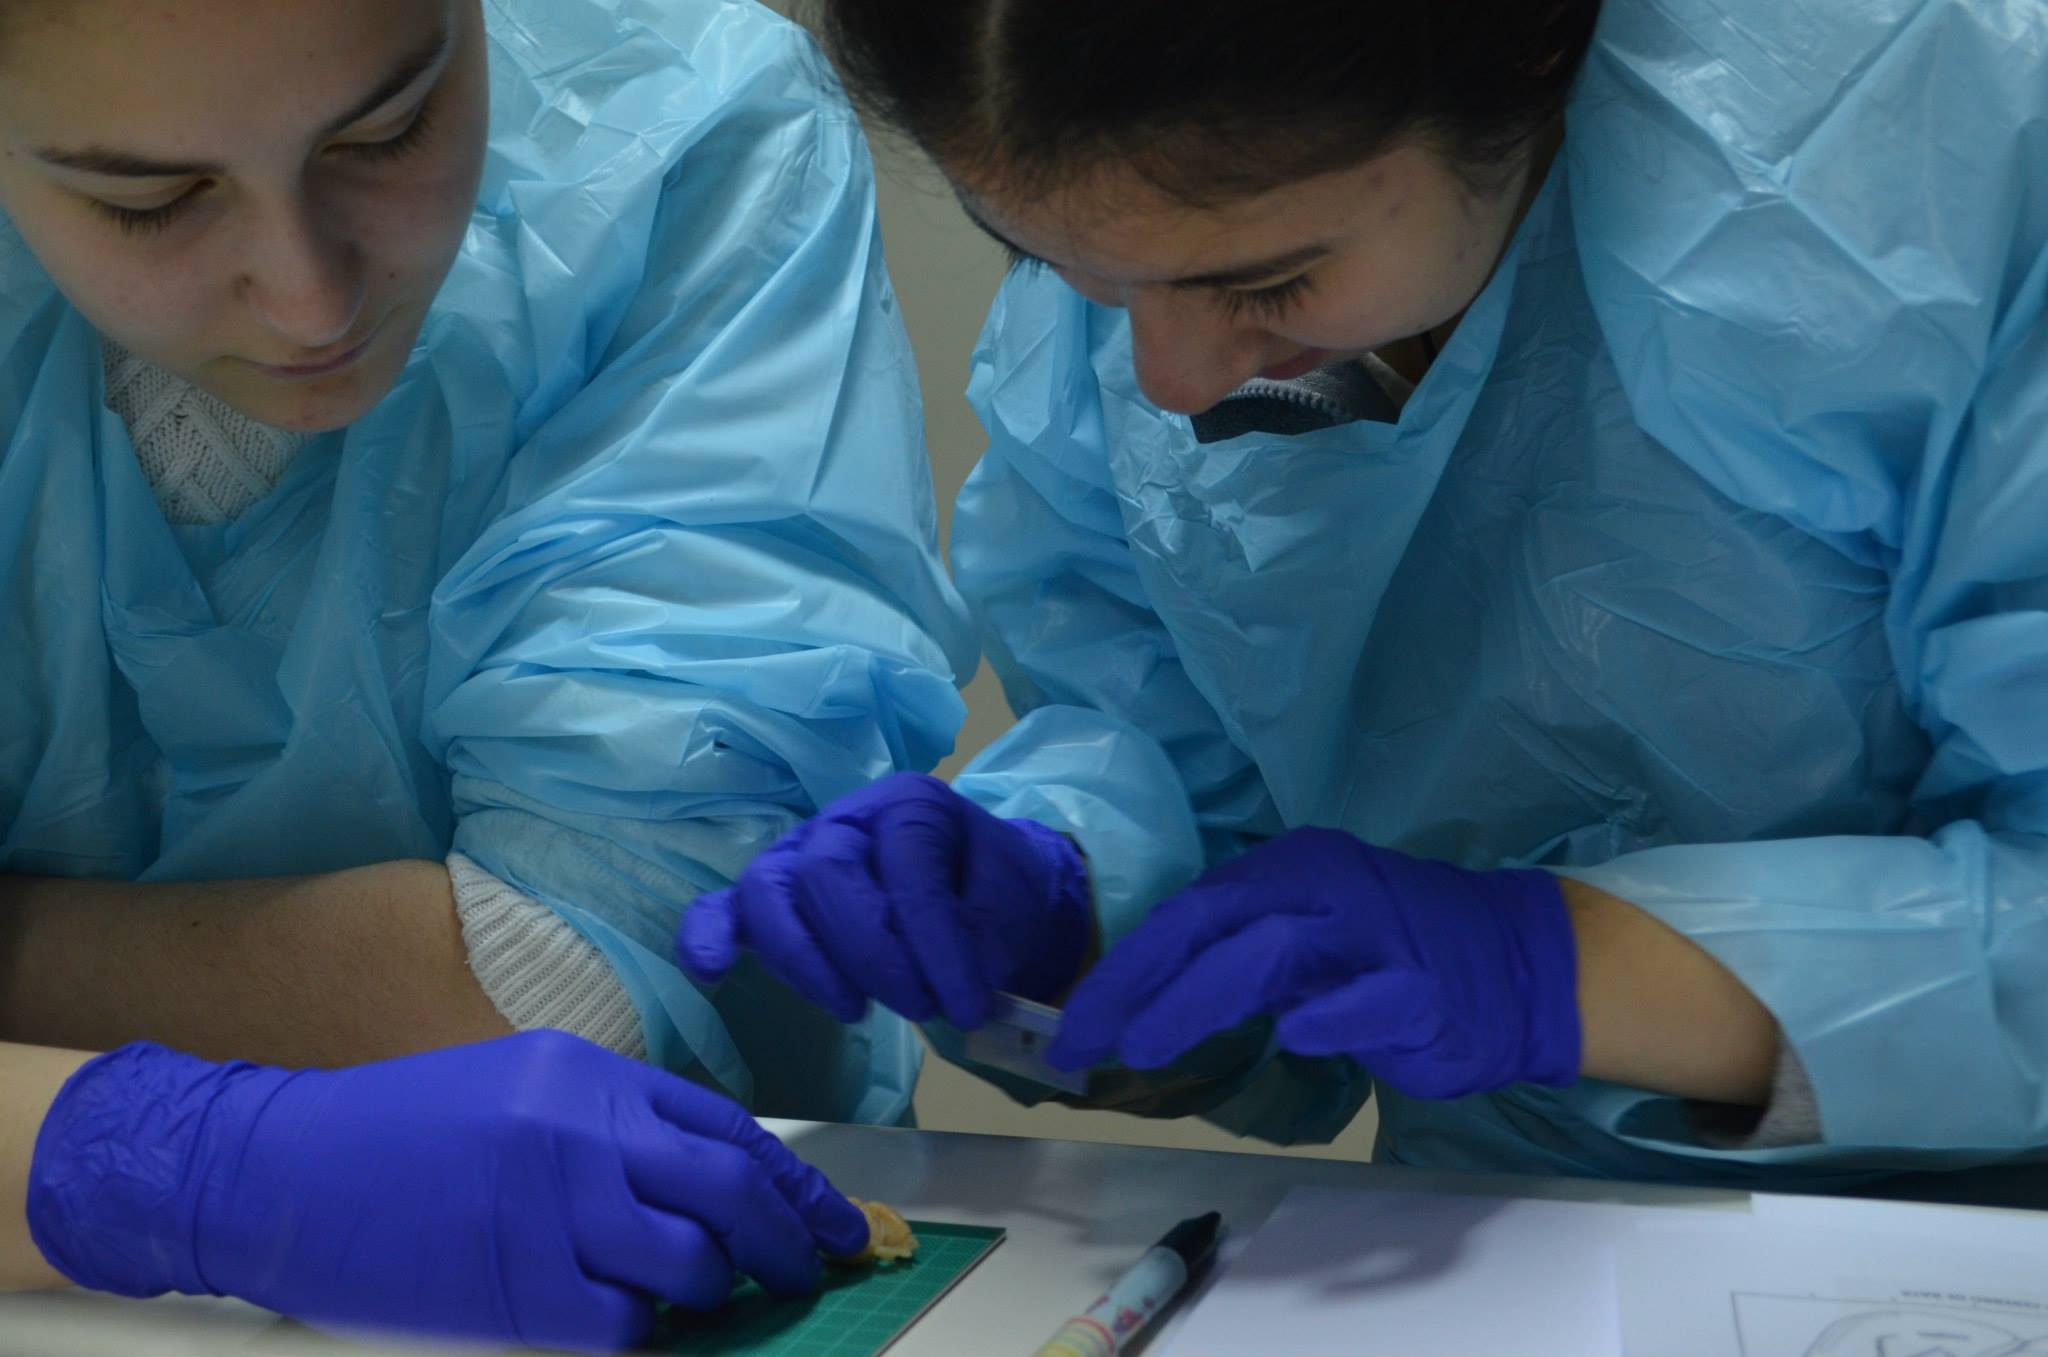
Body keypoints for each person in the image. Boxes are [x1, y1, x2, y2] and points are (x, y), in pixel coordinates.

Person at [682, 0, 2048, 1205]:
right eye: (1058, 270)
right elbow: (1209, 806)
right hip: (1493, 1237)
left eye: (1268, 283)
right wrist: (1067, 901)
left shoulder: (1953, 165)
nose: (1165, 378)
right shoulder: (1148, 289)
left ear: (1531, 34)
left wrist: (1555, 964)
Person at [0, 0, 974, 1346]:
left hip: (671, 1286)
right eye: (151, 201)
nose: (310, 295)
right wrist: (166, 1160)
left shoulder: (674, 136)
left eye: (391, 129)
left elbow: (566, 992)